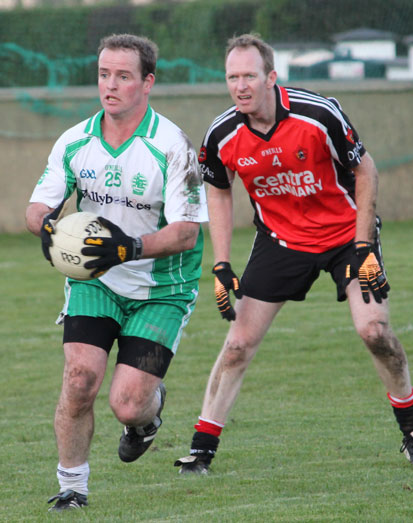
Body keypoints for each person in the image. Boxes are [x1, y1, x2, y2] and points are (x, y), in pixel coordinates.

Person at [174, 33, 413, 475]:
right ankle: (201, 449)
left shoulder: (318, 114)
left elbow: (365, 169)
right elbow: (218, 192)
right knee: (237, 344)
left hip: (344, 237)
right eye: (232, 77)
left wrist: (363, 245)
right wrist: (221, 264)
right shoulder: (222, 134)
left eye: (249, 76)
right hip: (280, 241)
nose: (240, 86)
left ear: (271, 77)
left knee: (374, 332)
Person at [25, 33, 208, 511]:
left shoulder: (172, 147)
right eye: (104, 74)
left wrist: (127, 248)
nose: (110, 85)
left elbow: (186, 233)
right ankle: (72, 487)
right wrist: (46, 226)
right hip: (96, 282)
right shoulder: (75, 141)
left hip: (162, 289)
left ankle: (146, 418)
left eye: (123, 76)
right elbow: (38, 205)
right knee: (80, 376)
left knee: (127, 403)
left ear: (147, 83)